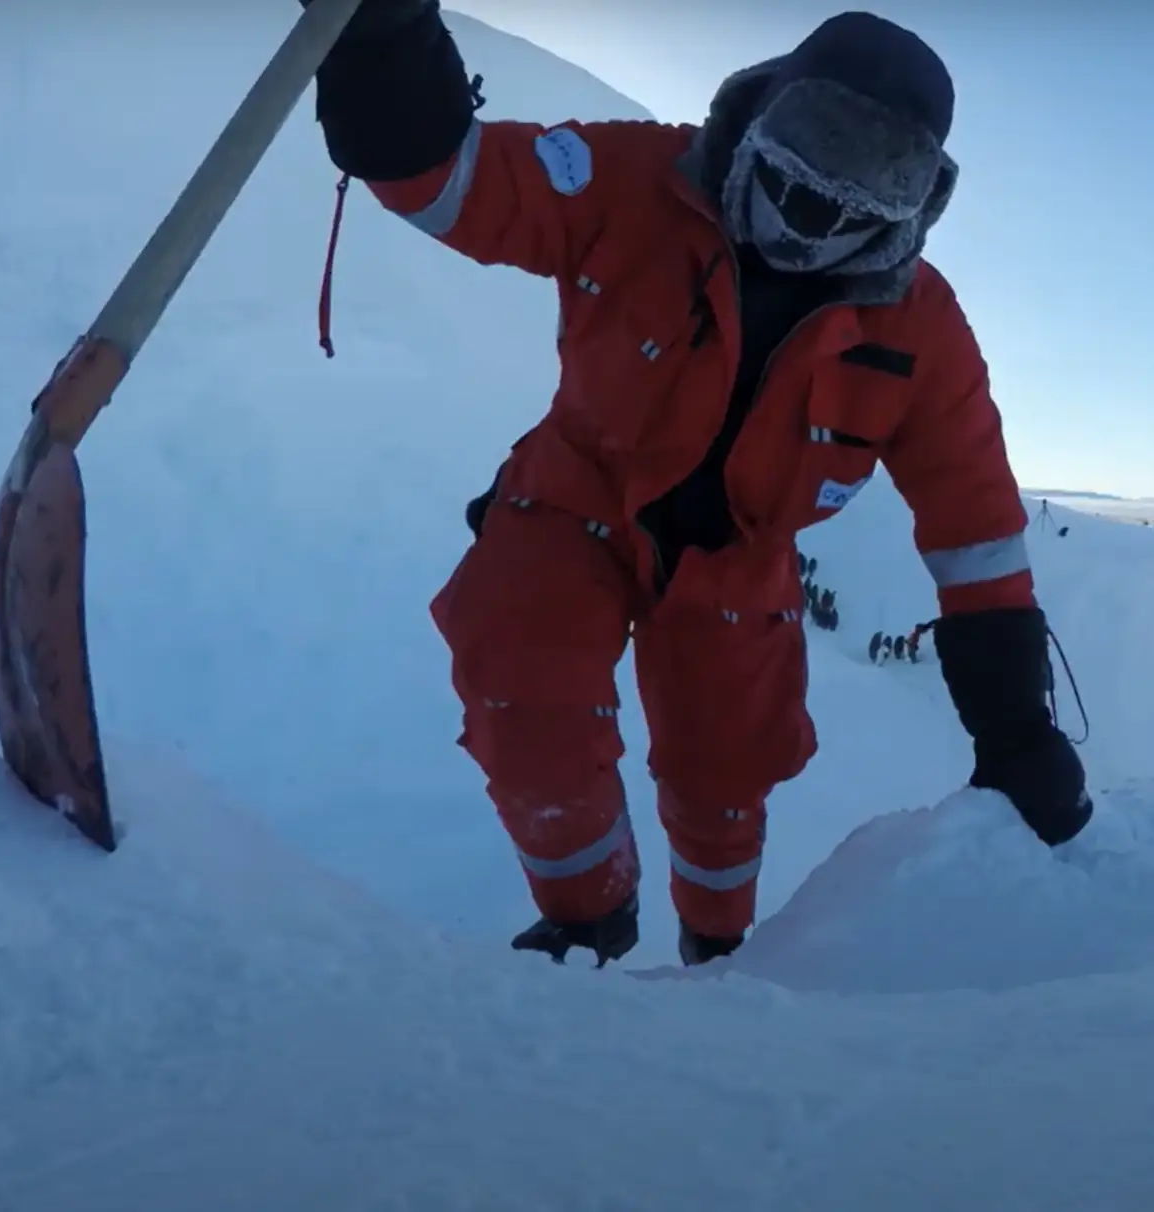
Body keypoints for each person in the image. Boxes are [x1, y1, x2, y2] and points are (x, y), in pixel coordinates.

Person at [304, 0, 1095, 968]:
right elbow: (459, 185)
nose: (821, 210)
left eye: (876, 178)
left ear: (920, 199)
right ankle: (587, 918)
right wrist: (386, 41)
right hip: (577, 493)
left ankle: (719, 961)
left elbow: (974, 530)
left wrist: (1015, 732)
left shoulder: (917, 330)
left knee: (726, 773)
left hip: (738, 558)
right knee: (522, 671)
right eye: (812, 146)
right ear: (765, 109)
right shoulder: (641, 180)